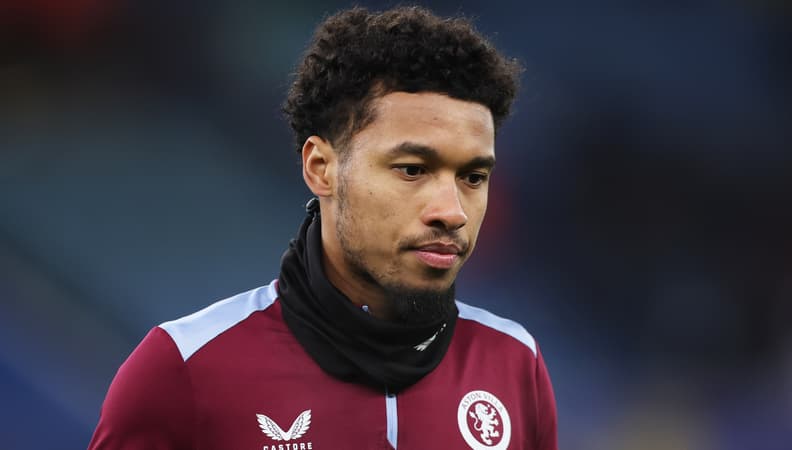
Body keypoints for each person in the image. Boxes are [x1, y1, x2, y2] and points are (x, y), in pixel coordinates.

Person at [88, 6, 557, 450]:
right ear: (321, 168)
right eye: (412, 169)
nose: (452, 212)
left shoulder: (515, 362)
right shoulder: (184, 365)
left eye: (473, 177)